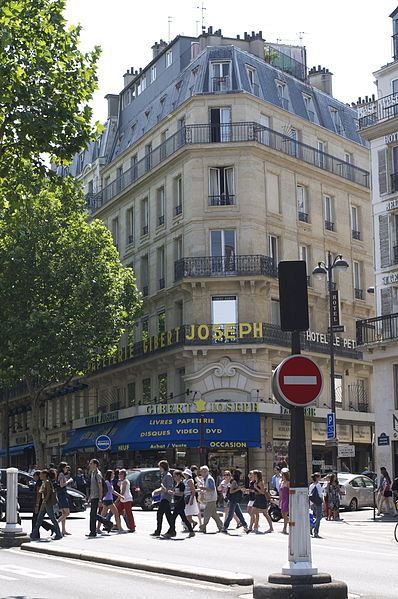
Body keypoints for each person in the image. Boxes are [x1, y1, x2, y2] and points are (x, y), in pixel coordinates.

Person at [30, 470, 62, 540]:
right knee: (39, 519)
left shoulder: (47, 482)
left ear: (44, 475)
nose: (40, 476)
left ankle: (59, 534)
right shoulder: (44, 482)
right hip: (44, 503)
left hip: (47, 503)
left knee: (53, 519)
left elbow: (48, 493)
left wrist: (44, 502)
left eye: (41, 474)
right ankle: (33, 534)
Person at [163, 470, 195, 538]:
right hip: (177, 503)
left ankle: (170, 532)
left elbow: (181, 494)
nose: (174, 478)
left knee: (173, 518)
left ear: (178, 476)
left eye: (175, 476)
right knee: (184, 519)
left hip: (180, 503)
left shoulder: (182, 484)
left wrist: (173, 493)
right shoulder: (176, 484)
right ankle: (191, 531)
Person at [86, 458, 113, 537]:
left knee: (93, 514)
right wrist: (90, 497)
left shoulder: (98, 474)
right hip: (93, 496)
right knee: (93, 514)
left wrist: (100, 499)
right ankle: (108, 523)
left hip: (97, 496)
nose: (89, 465)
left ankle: (93, 531)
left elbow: (100, 487)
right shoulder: (92, 473)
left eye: (91, 463)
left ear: (95, 465)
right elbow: (92, 487)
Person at [150, 460, 174, 536]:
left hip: (166, 498)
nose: (159, 468)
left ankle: (158, 530)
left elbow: (169, 488)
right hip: (163, 496)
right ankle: (172, 530)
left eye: (159, 467)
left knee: (160, 514)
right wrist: (157, 491)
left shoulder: (168, 476)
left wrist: (164, 490)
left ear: (163, 467)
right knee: (168, 515)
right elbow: (163, 487)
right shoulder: (164, 475)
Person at [198, 465, 224, 533]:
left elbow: (212, 489)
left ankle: (203, 527)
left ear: (206, 472)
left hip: (211, 498)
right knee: (214, 514)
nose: (201, 473)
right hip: (210, 498)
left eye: (202, 472)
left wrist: (204, 489)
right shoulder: (205, 479)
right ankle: (221, 527)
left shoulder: (209, 479)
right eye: (201, 472)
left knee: (207, 513)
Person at [222, 469, 248, 533]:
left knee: (239, 514)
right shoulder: (234, 482)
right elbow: (231, 491)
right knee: (230, 515)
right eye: (241, 474)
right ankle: (225, 527)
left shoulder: (235, 481)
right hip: (233, 500)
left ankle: (245, 526)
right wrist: (239, 489)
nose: (241, 476)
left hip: (235, 500)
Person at [56, 462, 73, 536]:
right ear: (63, 468)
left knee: (63, 513)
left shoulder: (60, 474)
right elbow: (62, 484)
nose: (67, 469)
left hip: (61, 494)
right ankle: (55, 525)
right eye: (66, 467)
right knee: (67, 513)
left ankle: (63, 530)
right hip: (62, 494)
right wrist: (69, 481)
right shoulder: (61, 474)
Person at [309, 472, 323, 538]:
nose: (320, 478)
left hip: (312, 503)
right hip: (318, 502)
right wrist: (322, 501)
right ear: (317, 478)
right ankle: (315, 531)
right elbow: (320, 494)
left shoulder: (311, 485)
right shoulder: (318, 485)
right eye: (319, 476)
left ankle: (312, 526)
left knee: (316, 517)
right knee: (319, 517)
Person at [279, 469, 290, 534]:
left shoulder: (288, 483)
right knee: (283, 514)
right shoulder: (281, 483)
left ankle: (284, 528)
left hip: (287, 499)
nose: (282, 477)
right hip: (283, 499)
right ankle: (286, 525)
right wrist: (280, 501)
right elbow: (280, 493)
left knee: (285, 513)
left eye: (282, 475)